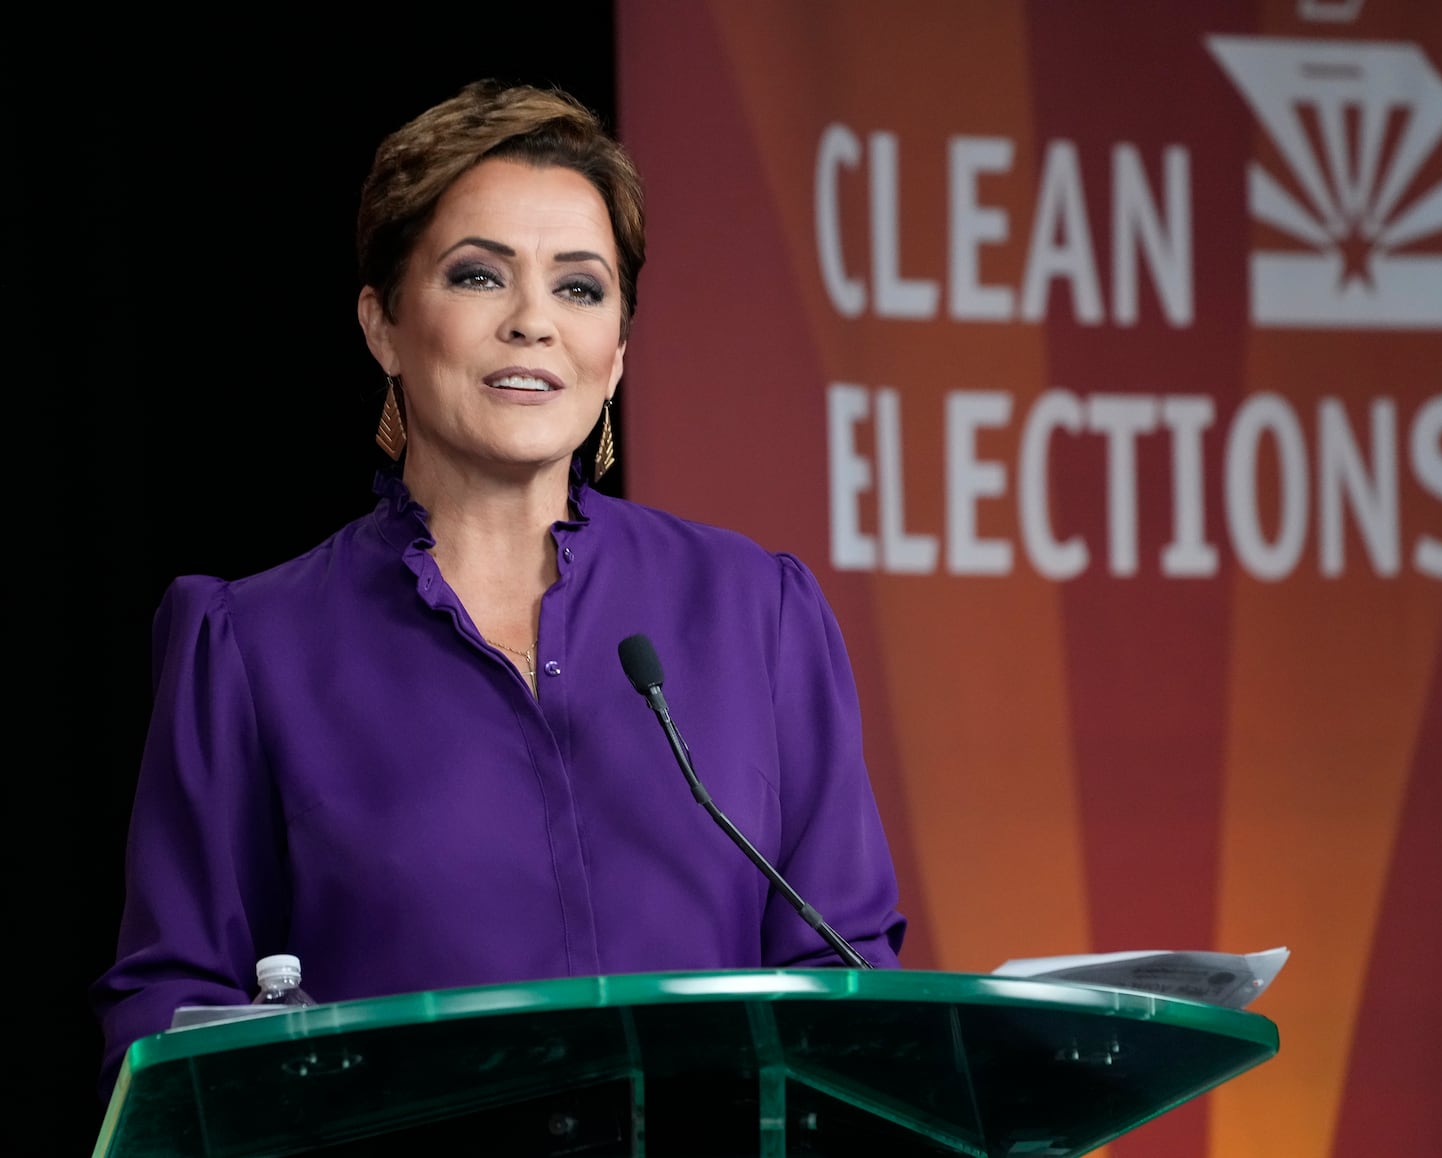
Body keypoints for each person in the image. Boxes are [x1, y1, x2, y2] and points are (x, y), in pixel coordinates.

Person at [89, 78, 907, 1102]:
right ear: (383, 326)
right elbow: (167, 1016)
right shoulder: (253, 646)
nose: (533, 323)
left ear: (616, 356)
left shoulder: (755, 613)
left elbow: (848, 977)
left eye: (579, 288)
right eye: (479, 278)